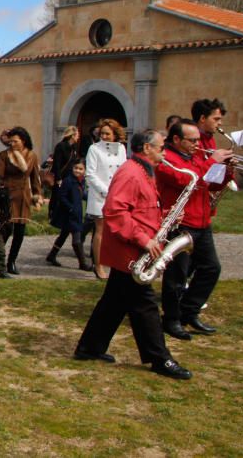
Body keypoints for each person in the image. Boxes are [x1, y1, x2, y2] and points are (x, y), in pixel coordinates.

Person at [73, 129, 191, 380]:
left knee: (114, 301)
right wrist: (144, 240)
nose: (164, 151)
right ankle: (160, 358)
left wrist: (167, 215)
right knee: (145, 305)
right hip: (130, 251)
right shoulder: (130, 173)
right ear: (146, 148)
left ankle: (89, 348)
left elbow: (139, 209)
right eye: (161, 147)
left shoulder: (144, 173)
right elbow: (115, 212)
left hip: (134, 248)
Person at [157, 118, 230, 340]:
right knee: (176, 275)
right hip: (180, 223)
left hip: (202, 221)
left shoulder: (197, 156)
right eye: (192, 140)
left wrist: (226, 171)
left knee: (211, 269)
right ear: (176, 139)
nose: (197, 144)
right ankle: (170, 319)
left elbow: (210, 184)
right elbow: (186, 179)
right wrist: (211, 162)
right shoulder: (166, 159)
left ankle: (189, 311)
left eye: (198, 140)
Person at [0, 126, 43, 275]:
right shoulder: (4, 155)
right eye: (10, 141)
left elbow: (35, 178)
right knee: (5, 229)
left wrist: (37, 194)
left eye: (15, 141)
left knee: (20, 232)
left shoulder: (32, 156)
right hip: (8, 196)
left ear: (23, 141)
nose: (12, 144)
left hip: (23, 197)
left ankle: (12, 262)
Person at [85, 118, 127, 278]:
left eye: (107, 133)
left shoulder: (121, 148)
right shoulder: (94, 149)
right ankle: (98, 265)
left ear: (115, 134)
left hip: (118, 193)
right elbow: (90, 174)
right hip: (100, 195)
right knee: (100, 230)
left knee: (117, 230)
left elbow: (123, 170)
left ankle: (115, 262)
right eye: (102, 133)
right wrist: (106, 191)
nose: (104, 136)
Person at [47, 161, 92, 270]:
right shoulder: (68, 181)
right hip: (70, 214)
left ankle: (52, 255)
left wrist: (92, 197)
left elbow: (81, 194)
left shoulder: (80, 182)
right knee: (77, 240)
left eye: (80, 169)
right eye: (76, 168)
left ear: (84, 171)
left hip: (75, 213)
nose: (77, 170)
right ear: (72, 168)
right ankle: (82, 263)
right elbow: (62, 197)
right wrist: (70, 208)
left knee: (63, 235)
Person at [50, 126, 80, 212]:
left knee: (66, 195)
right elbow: (57, 163)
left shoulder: (74, 147)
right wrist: (58, 178)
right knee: (57, 195)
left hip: (70, 176)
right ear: (72, 135)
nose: (78, 137)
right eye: (77, 135)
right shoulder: (61, 146)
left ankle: (64, 212)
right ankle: (53, 213)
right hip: (61, 175)